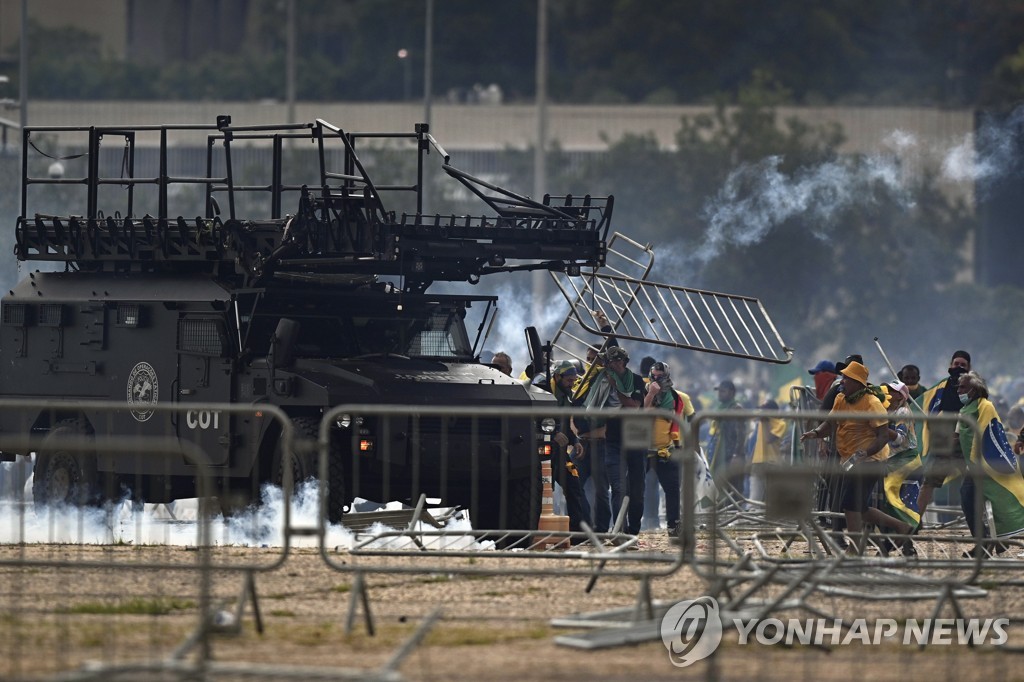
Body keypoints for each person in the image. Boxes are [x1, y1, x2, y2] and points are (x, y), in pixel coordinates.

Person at [800, 361, 915, 555]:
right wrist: (816, 433)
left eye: (846, 378)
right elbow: (830, 424)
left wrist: (866, 453)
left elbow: (883, 436)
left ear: (858, 382)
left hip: (870, 461)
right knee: (857, 507)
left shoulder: (872, 403)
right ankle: (901, 527)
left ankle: (855, 548)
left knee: (850, 504)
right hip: (850, 460)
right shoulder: (841, 398)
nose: (842, 381)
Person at [956, 370, 1024, 554]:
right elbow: (960, 436)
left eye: (963, 387)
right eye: (959, 386)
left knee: (982, 499)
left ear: (974, 389)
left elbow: (985, 433)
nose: (959, 390)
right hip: (973, 464)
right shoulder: (964, 408)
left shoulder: (985, 406)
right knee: (971, 501)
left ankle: (988, 543)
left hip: (985, 463)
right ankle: (989, 541)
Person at [582, 345, 646, 535]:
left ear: (623, 362)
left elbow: (633, 406)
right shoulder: (601, 381)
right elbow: (591, 404)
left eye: (616, 361)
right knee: (618, 488)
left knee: (636, 492)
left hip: (636, 440)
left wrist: (616, 385)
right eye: (609, 362)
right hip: (613, 441)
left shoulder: (635, 380)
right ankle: (619, 530)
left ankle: (633, 531)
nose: (612, 364)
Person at [916, 350, 972, 525]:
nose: (959, 368)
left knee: (973, 486)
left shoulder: (974, 388)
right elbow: (929, 409)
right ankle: (913, 525)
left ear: (969, 368)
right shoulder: (941, 388)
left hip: (965, 442)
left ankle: (984, 531)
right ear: (950, 366)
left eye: (963, 365)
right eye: (956, 364)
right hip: (943, 442)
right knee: (928, 483)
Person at [546, 360, 589, 532]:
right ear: (557, 376)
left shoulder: (566, 395)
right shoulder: (543, 391)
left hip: (561, 453)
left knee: (573, 485)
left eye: (573, 380)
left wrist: (575, 441)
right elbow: (535, 420)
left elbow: (564, 423)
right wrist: (553, 433)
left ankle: (577, 532)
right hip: (542, 453)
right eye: (569, 380)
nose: (572, 384)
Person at [879, 380, 923, 539]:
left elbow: (900, 439)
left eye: (893, 391)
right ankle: (905, 545)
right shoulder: (887, 412)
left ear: (901, 396)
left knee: (890, 493)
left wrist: (881, 429)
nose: (888, 393)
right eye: (887, 390)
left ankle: (907, 528)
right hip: (895, 461)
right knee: (894, 499)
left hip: (906, 460)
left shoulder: (902, 412)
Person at [643, 361, 682, 536]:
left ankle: (673, 525)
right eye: (654, 374)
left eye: (660, 375)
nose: (657, 378)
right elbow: (641, 412)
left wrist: (677, 446)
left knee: (672, 489)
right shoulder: (642, 390)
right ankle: (629, 525)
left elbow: (675, 421)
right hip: (642, 450)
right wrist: (651, 394)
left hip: (664, 450)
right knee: (633, 488)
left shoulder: (673, 396)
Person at [706, 379, 746, 492]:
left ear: (732, 393)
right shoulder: (721, 409)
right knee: (721, 488)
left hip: (731, 456)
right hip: (721, 455)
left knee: (733, 489)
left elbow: (740, 433)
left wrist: (736, 455)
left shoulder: (736, 409)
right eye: (719, 391)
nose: (720, 393)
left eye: (723, 391)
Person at [748, 399, 785, 504]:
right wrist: (750, 459)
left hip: (773, 464)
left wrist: (764, 421)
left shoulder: (780, 424)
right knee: (754, 499)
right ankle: (752, 519)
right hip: (758, 463)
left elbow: (768, 439)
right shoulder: (761, 422)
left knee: (771, 500)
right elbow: (758, 442)